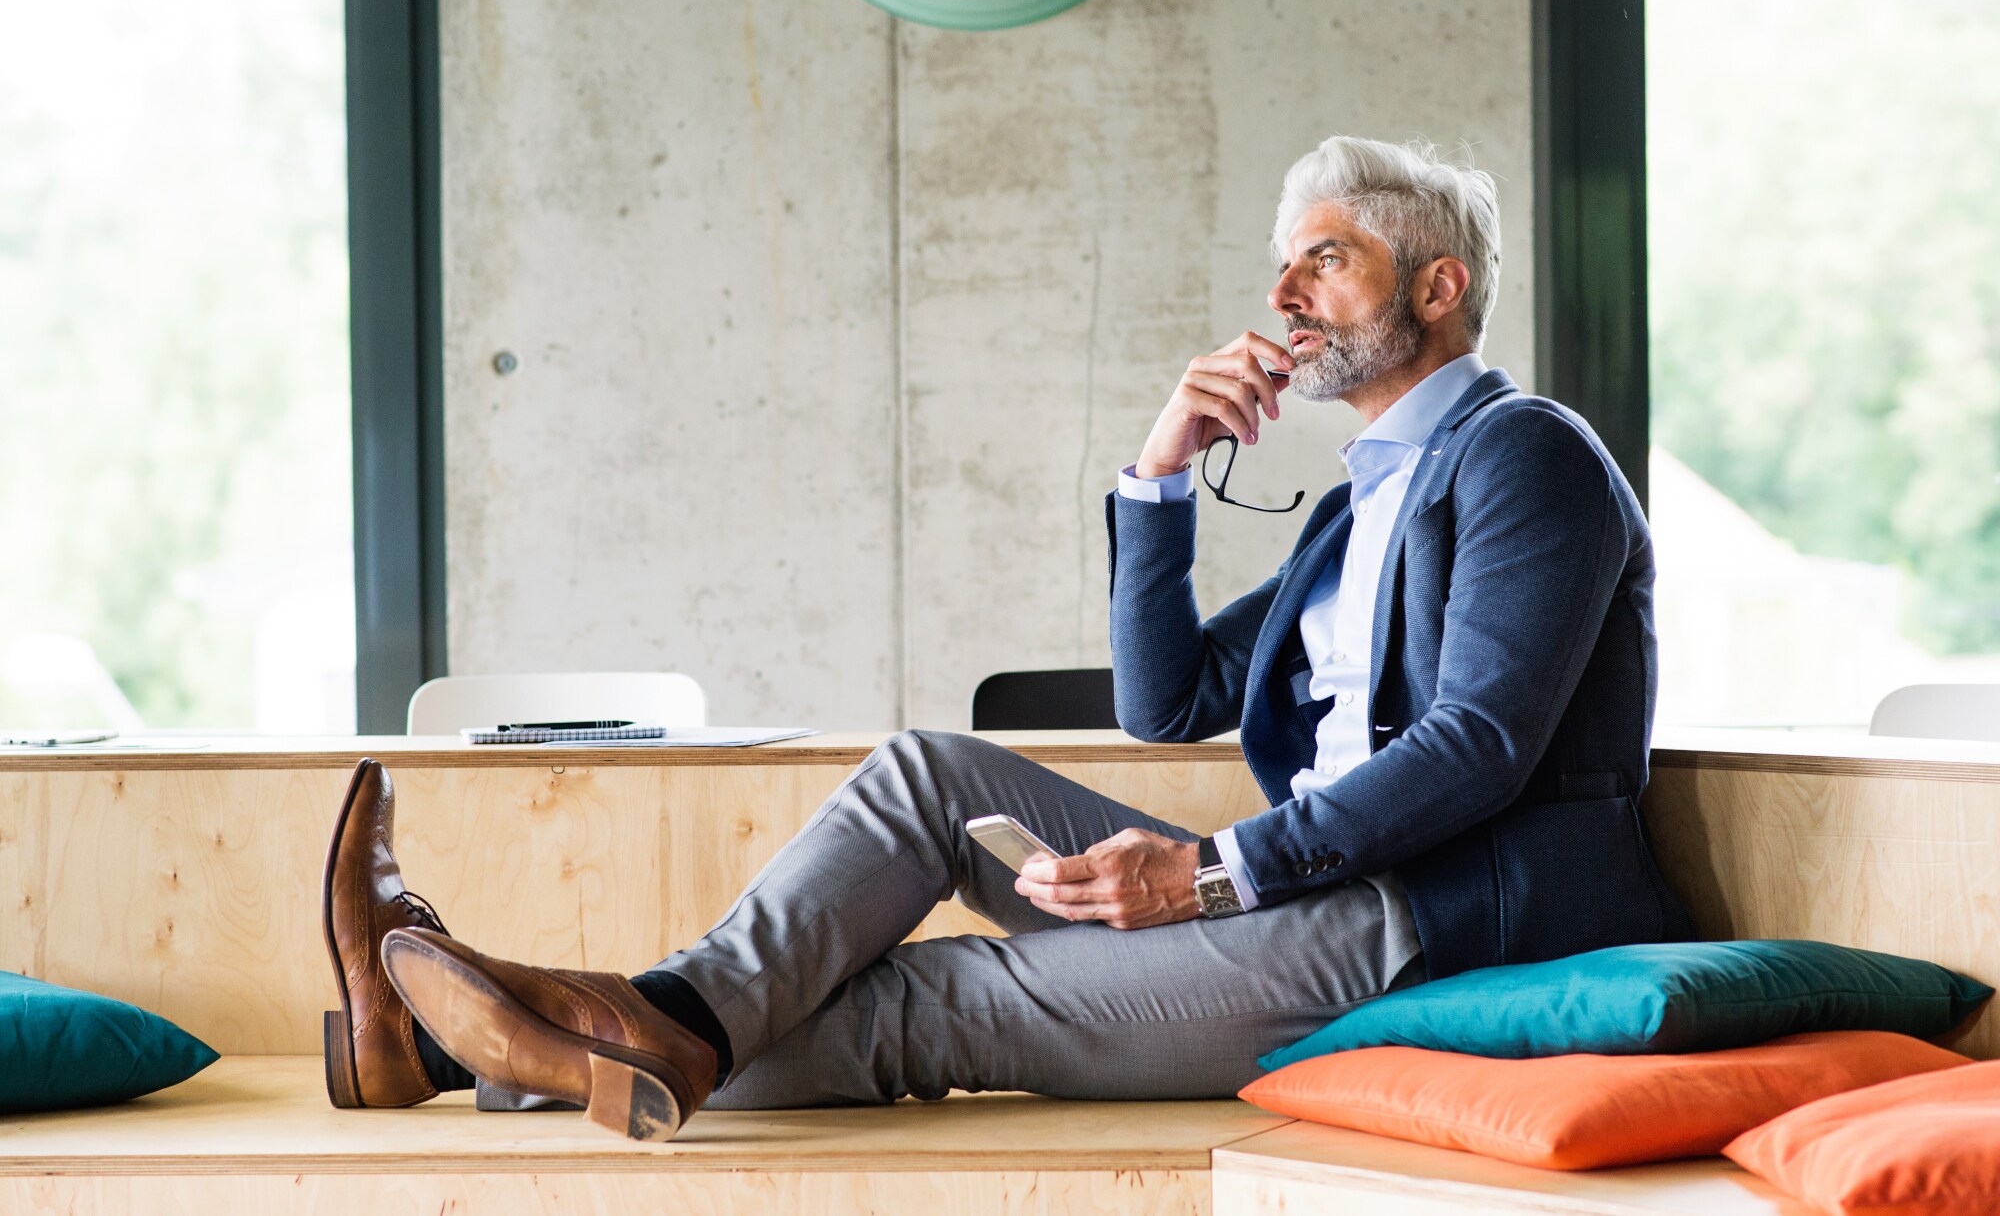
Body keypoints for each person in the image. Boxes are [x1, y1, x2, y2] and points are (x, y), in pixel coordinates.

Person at [321, 135, 1690, 1141]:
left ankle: (470, 1053)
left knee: (918, 1002)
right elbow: (1168, 702)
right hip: (1312, 892)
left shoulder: (1526, 457)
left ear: (1440, 286)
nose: (1286, 293)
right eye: (1285, 264)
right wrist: (1160, 470)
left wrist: (1209, 876)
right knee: (928, 777)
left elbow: (1482, 745)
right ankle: (615, 1025)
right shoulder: (1358, 508)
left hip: (1427, 925)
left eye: (1327, 259)